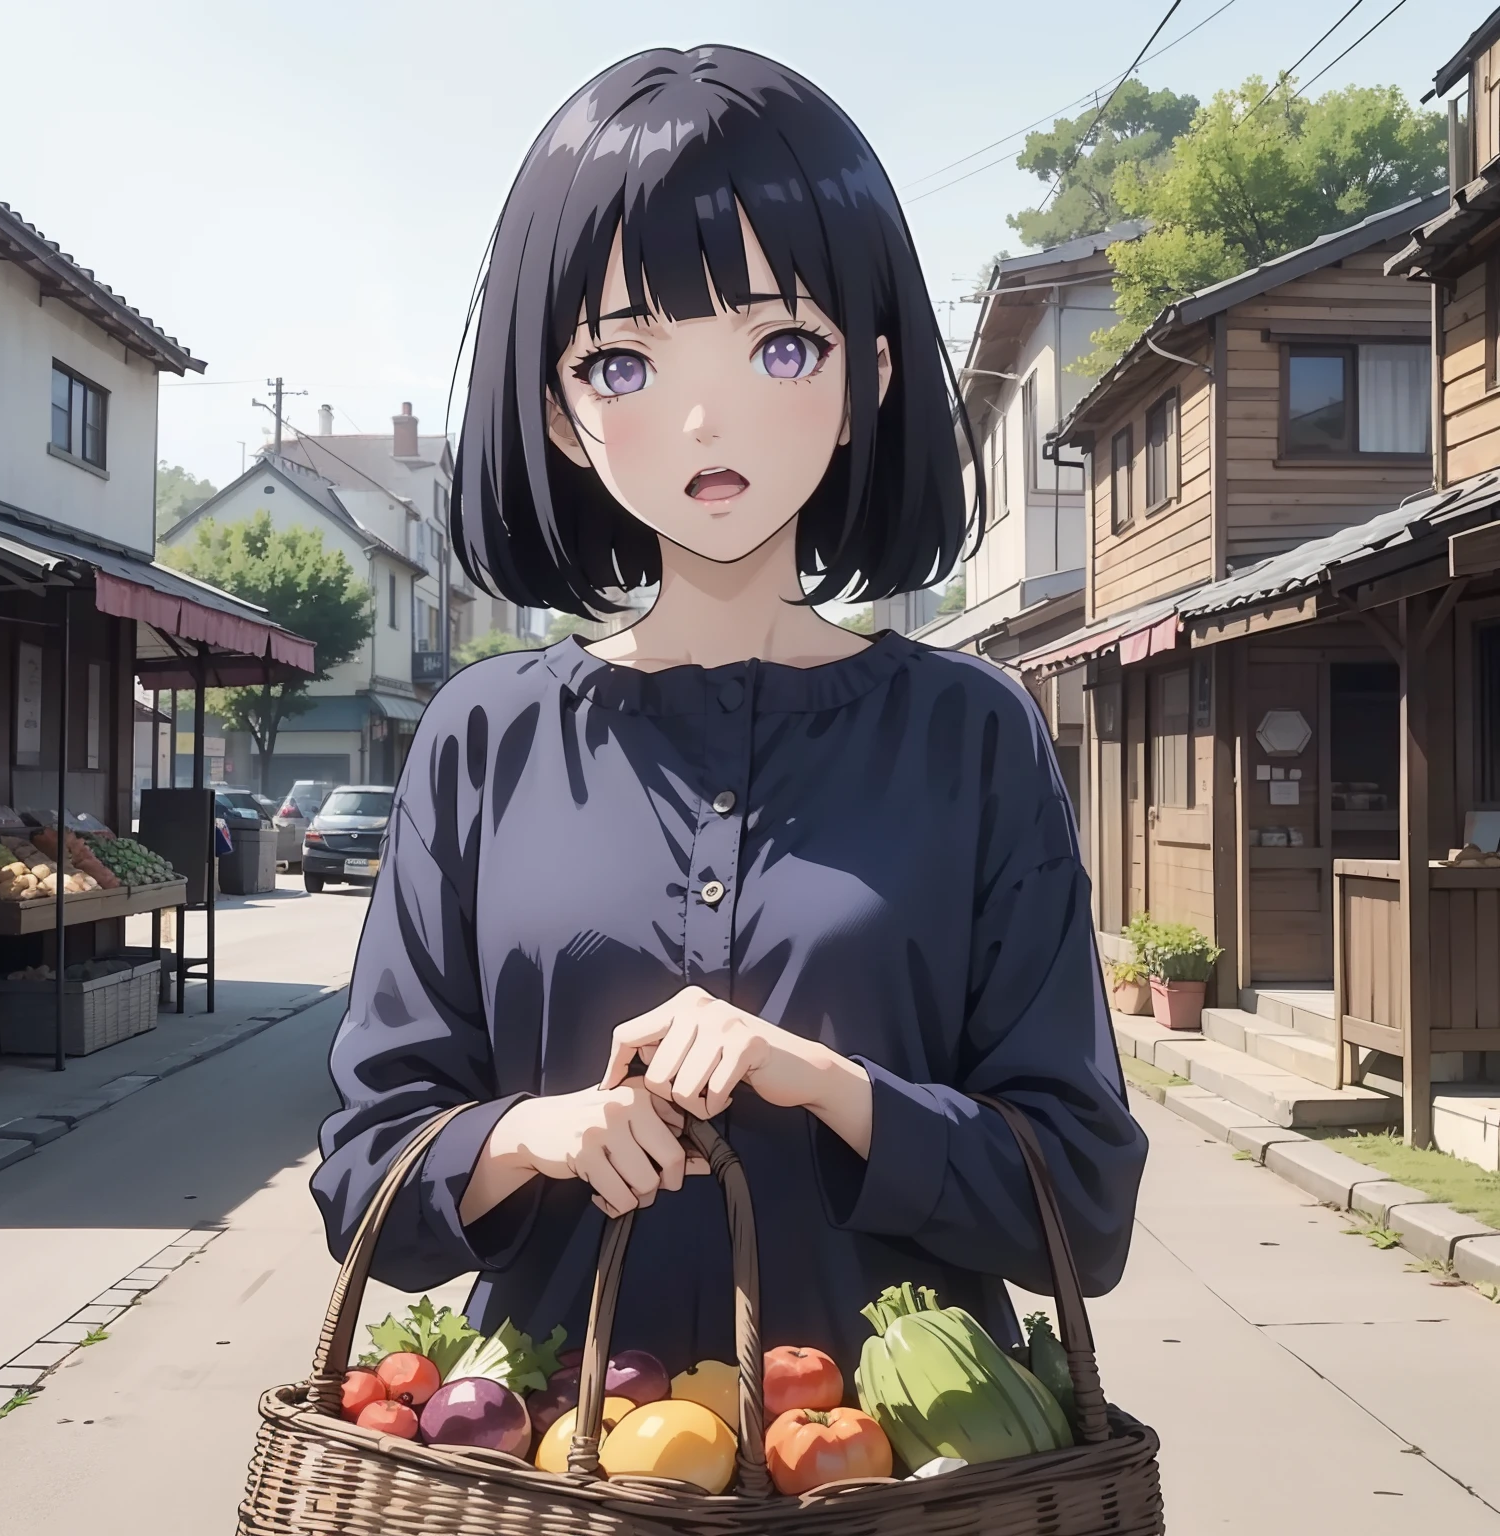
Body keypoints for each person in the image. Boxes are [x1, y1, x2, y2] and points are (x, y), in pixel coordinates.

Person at [311, 44, 1146, 1382]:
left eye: (781, 343)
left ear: (868, 378)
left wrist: (830, 1087)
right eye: (627, 361)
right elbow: (362, 1183)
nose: (709, 417)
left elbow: (1084, 1207)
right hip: (539, 1474)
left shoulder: (973, 733)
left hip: (905, 1472)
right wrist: (536, 1134)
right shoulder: (485, 738)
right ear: (563, 415)